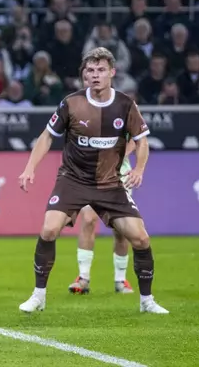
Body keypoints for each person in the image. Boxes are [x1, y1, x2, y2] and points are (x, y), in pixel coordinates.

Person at [17, 47, 168, 314]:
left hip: (110, 184)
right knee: (49, 230)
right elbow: (47, 136)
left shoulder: (125, 104)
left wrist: (140, 169)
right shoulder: (71, 103)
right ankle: (38, 295)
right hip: (73, 180)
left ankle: (147, 301)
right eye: (90, 70)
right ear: (83, 75)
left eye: (100, 70)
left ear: (112, 72)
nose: (95, 75)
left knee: (141, 238)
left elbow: (141, 141)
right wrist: (30, 168)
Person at [69, 70, 134, 295]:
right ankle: (83, 278)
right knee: (87, 219)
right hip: (88, 175)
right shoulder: (76, 106)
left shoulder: (122, 104)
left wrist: (118, 156)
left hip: (117, 175)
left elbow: (136, 139)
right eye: (88, 77)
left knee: (120, 229)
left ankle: (120, 280)